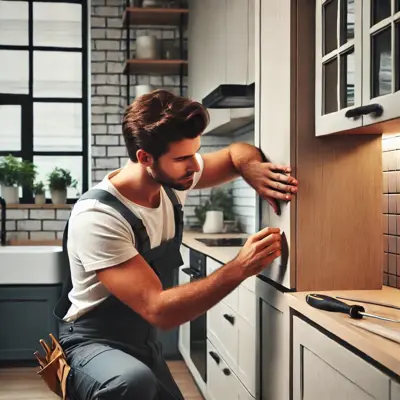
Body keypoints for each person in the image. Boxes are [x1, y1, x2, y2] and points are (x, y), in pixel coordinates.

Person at [54, 89, 298, 400]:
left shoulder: (172, 181)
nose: (195, 166)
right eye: (183, 158)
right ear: (145, 158)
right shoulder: (99, 217)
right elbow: (158, 310)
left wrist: (249, 167)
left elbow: (236, 152)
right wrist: (239, 267)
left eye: (195, 153)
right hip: (91, 346)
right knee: (131, 383)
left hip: (143, 345)